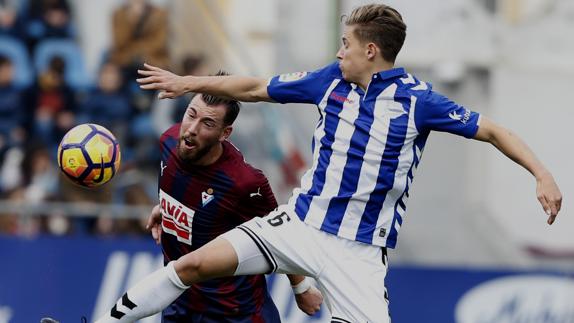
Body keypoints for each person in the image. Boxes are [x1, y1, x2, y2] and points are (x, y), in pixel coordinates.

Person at [97, 3, 563, 323]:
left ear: (370, 51)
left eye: (346, 43)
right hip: (299, 224)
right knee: (194, 266)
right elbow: (257, 86)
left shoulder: (419, 102)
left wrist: (541, 173)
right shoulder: (328, 81)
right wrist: (185, 81)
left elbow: (494, 130)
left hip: (357, 251)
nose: (338, 51)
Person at [98, 73, 322, 322]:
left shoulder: (245, 182)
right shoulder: (169, 142)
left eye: (207, 123)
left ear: (224, 133)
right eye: (191, 114)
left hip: (235, 312)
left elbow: (281, 236)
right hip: (179, 306)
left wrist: (300, 288)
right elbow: (187, 191)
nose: (192, 129)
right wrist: (165, 207)